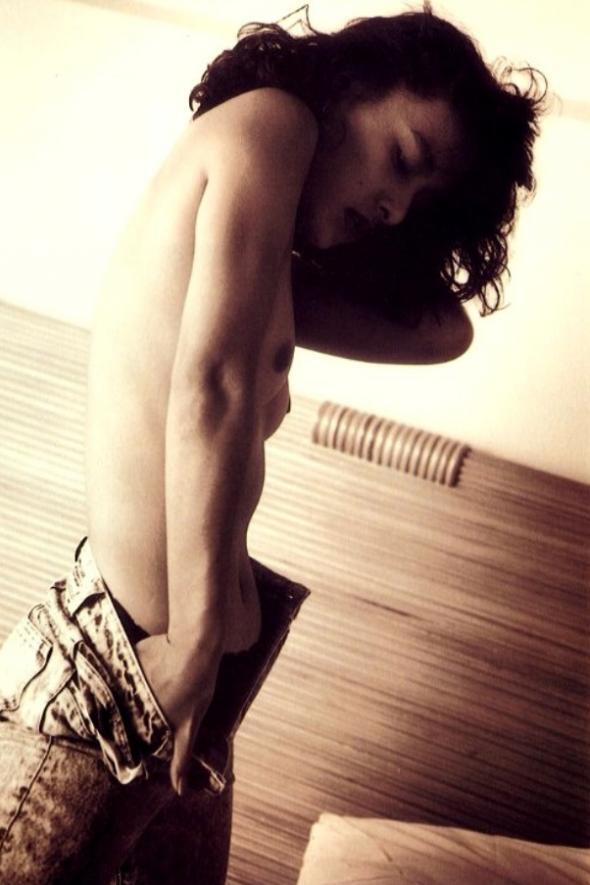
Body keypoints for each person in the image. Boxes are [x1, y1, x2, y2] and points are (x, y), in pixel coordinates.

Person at [0, 4, 545, 882]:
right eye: (404, 160)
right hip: (128, 671)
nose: (395, 207)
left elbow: (446, 333)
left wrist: (357, 245)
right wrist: (196, 637)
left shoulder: (265, 275)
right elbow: (212, 388)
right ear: (348, 85)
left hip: (195, 678)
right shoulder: (273, 120)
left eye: (422, 203)